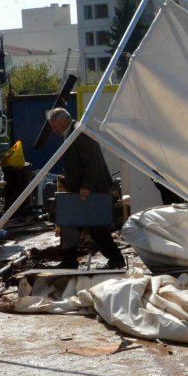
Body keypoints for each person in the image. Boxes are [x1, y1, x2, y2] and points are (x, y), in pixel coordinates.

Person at [47, 107, 126, 270]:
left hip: (91, 189)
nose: (54, 131)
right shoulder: (73, 132)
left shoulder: (80, 132)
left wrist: (86, 186)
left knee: (95, 226)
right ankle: (69, 260)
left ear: (63, 120)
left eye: (54, 126)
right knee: (69, 222)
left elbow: (93, 162)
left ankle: (116, 259)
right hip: (82, 189)